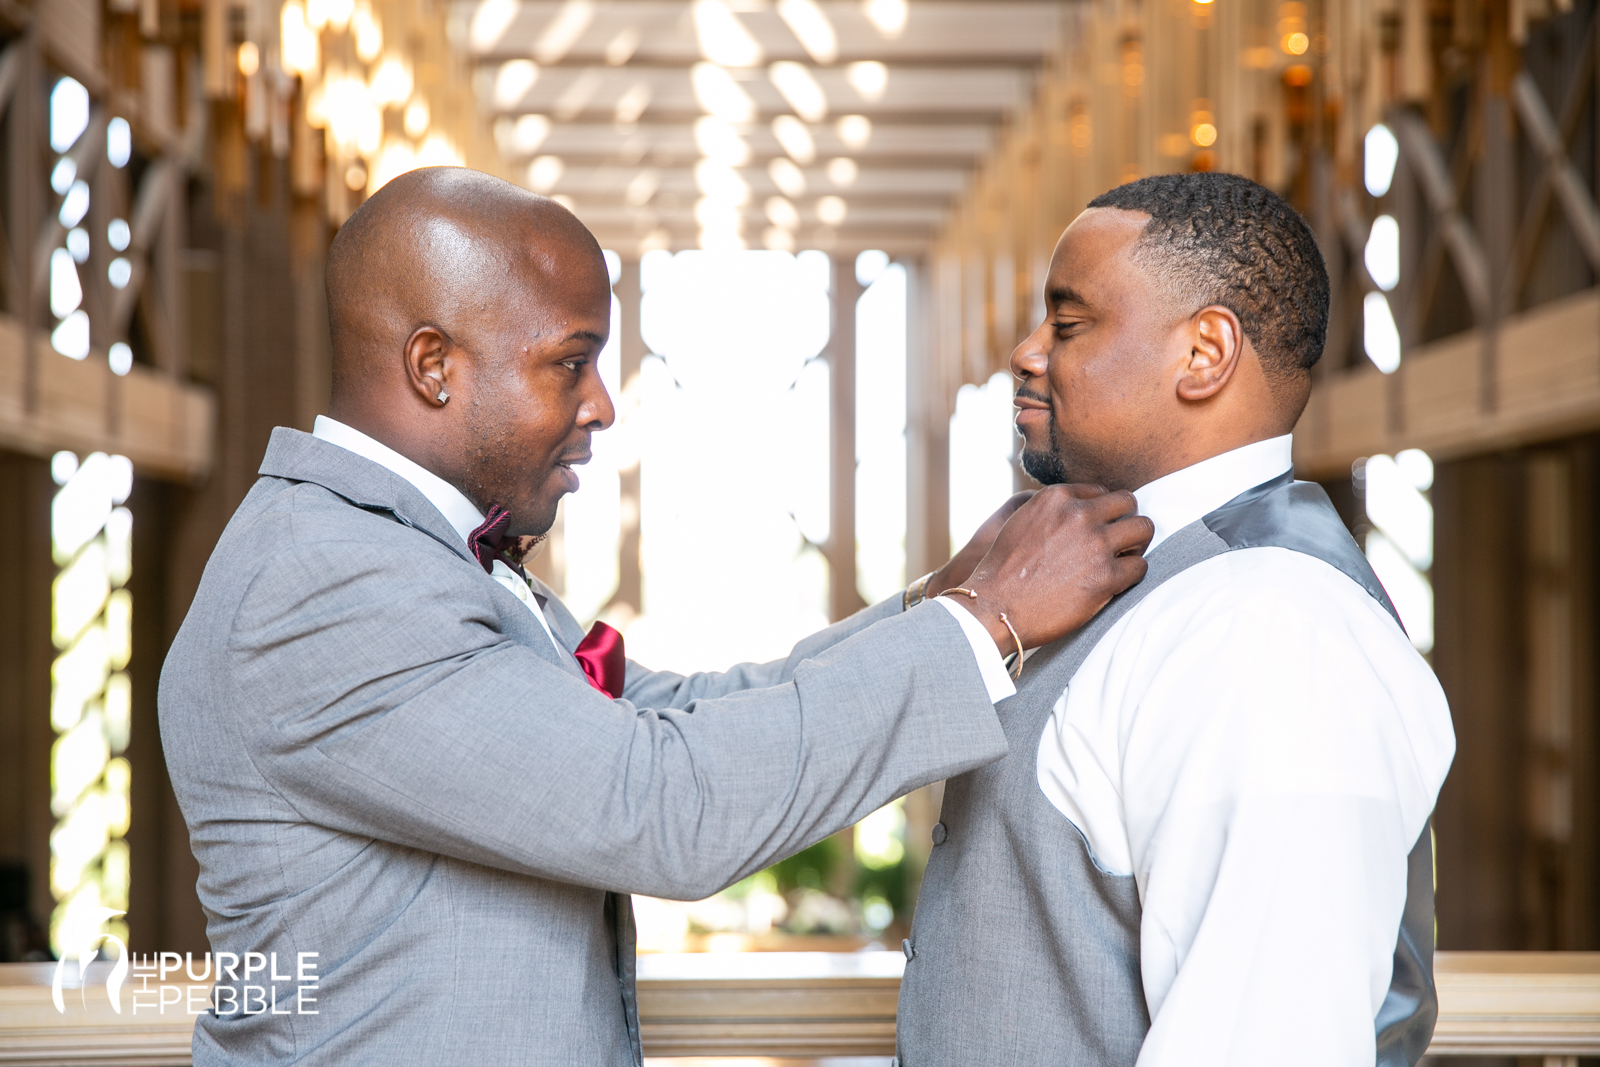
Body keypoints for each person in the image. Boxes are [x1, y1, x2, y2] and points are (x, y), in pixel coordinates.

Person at [158, 166, 1153, 1066]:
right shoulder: (325, 582)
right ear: (433, 365)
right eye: (569, 361)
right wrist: (991, 624)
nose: (601, 404)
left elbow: (670, 714)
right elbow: (664, 804)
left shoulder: (404, 552)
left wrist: (934, 604)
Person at [896, 172, 1456, 1067]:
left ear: (1205, 353)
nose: (1025, 353)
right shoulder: (1158, 585)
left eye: (1068, 323)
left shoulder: (1271, 629)